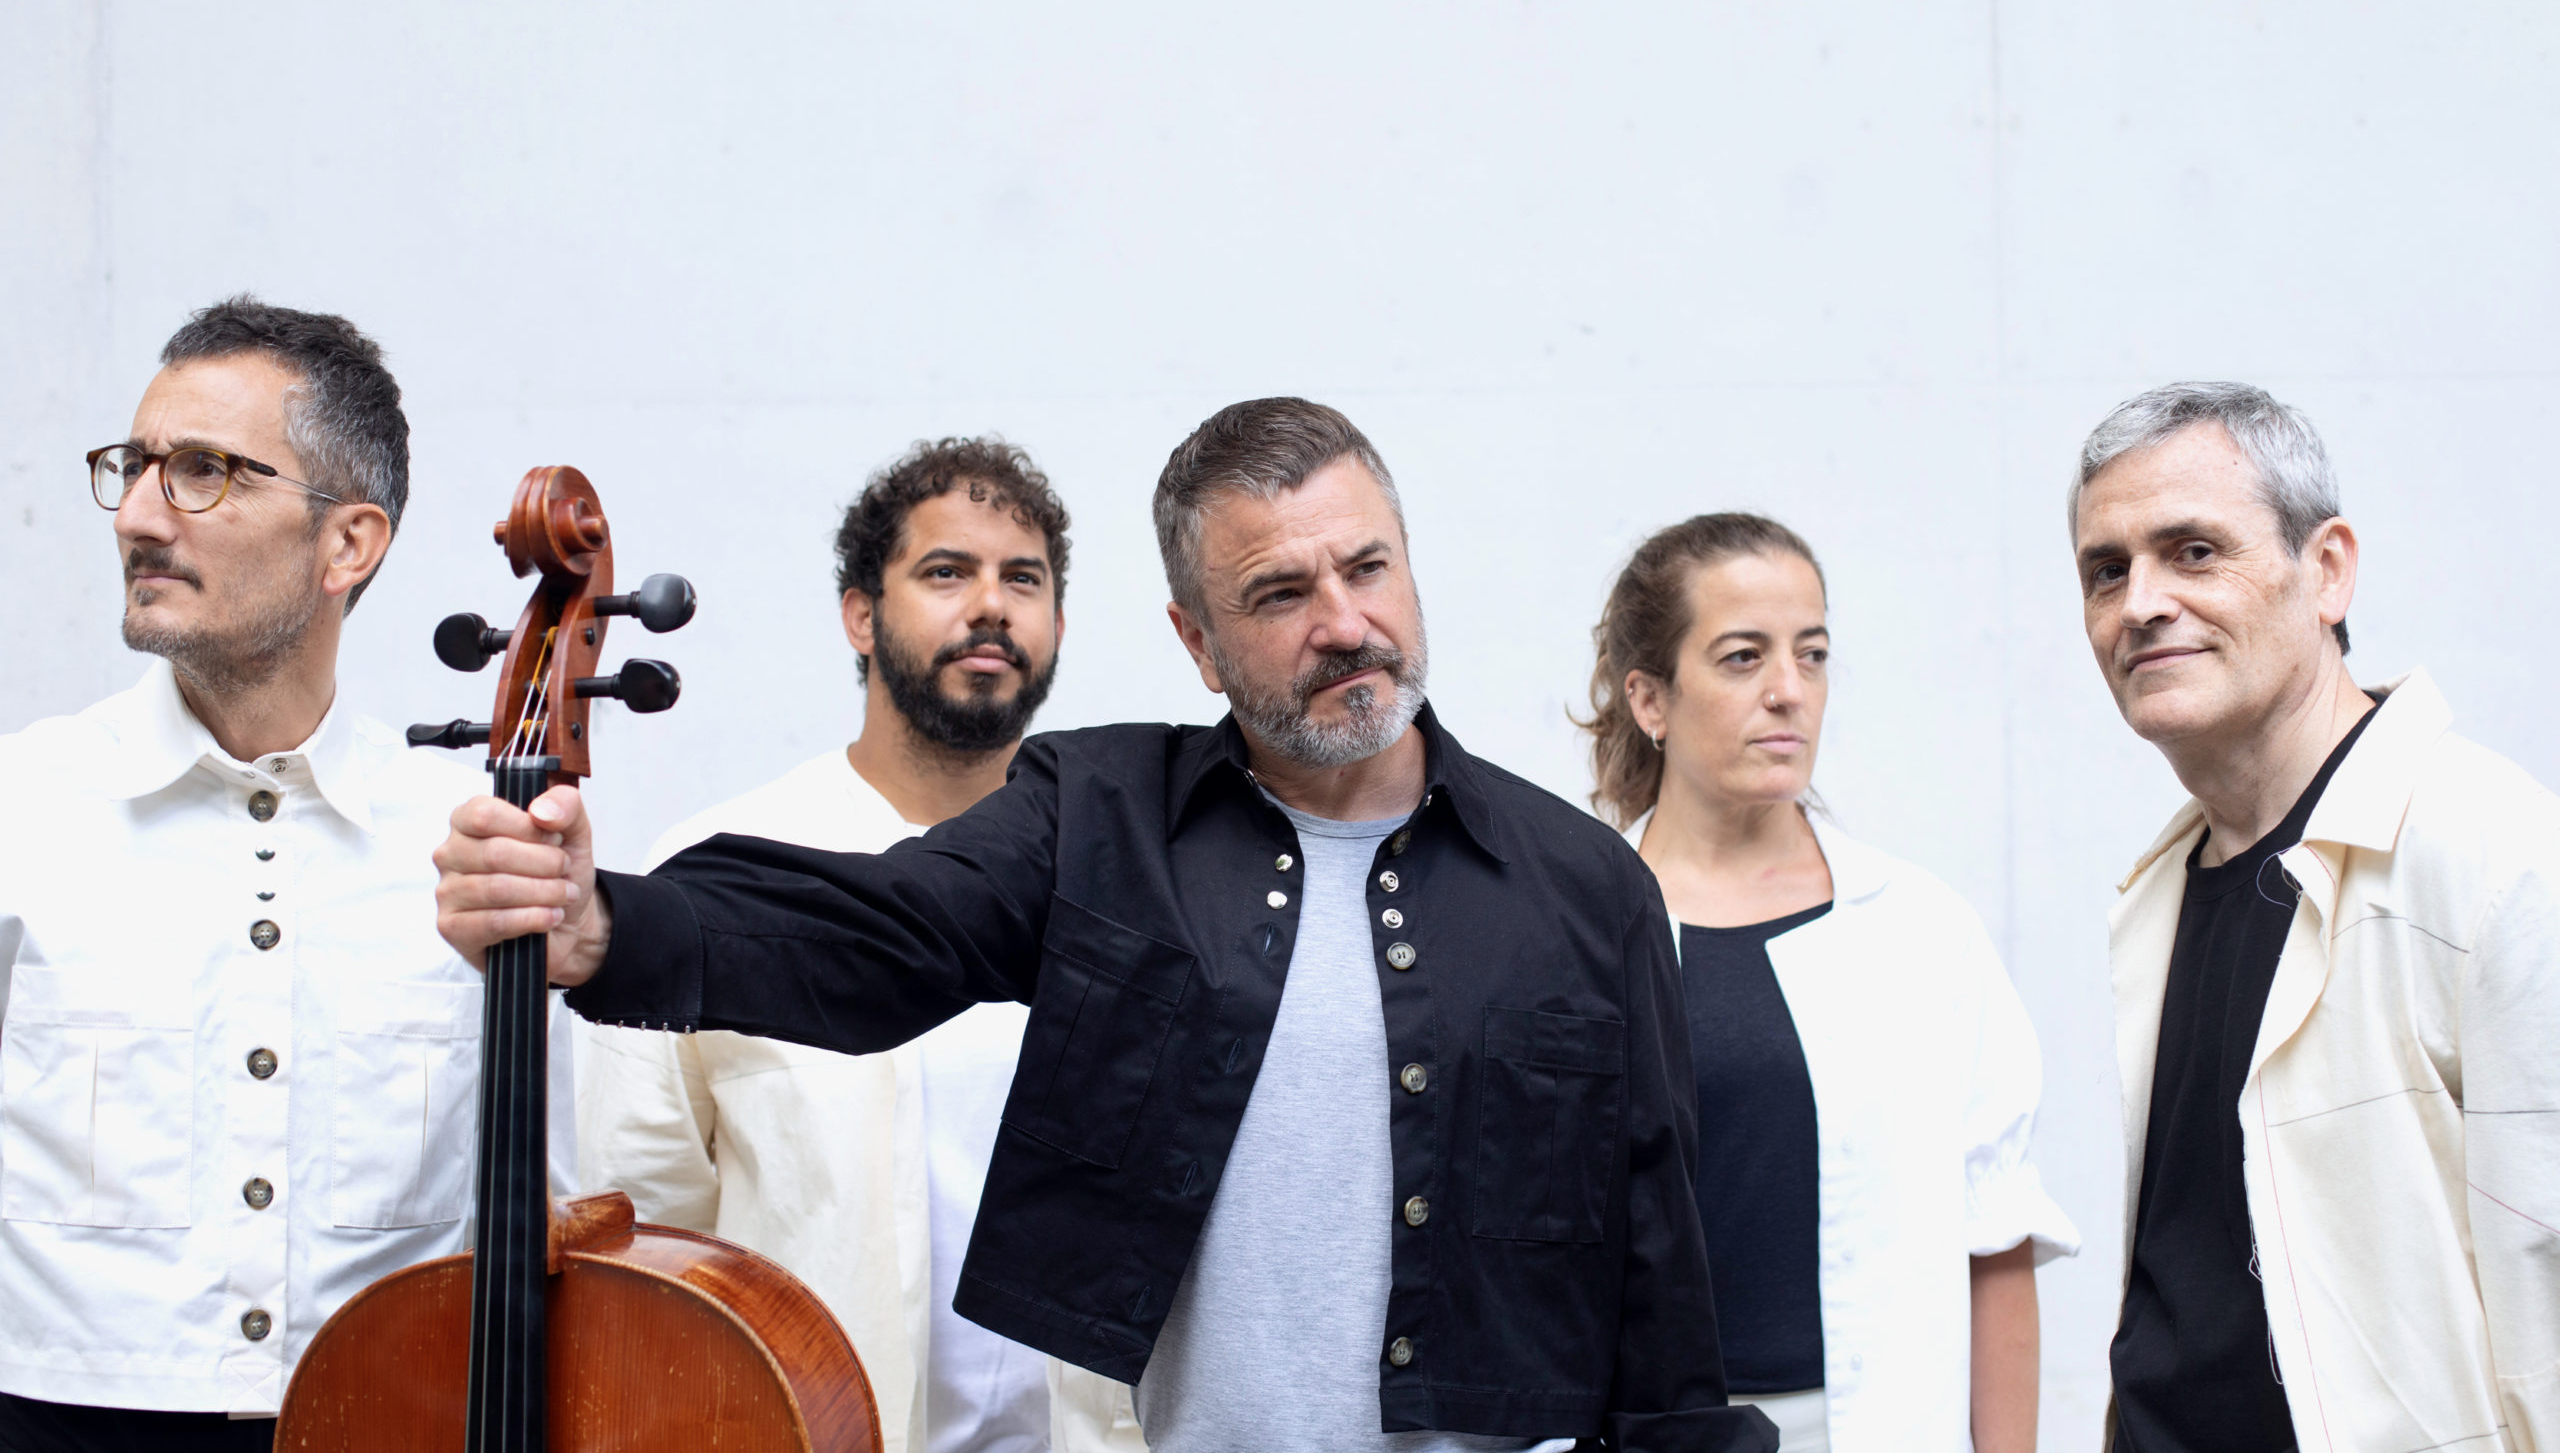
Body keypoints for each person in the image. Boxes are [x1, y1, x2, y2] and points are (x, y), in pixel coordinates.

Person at [435, 397, 1775, 1453]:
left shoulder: (1586, 884)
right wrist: (603, 922)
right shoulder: (1100, 811)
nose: (1343, 623)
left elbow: (1661, 1272)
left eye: (1368, 567)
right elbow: (882, 929)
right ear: (1196, 642)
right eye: (1279, 594)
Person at [0, 299, 571, 1451]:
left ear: (348, 543)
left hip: (391, 1416)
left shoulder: (471, 846)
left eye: (203, 471)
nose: (140, 514)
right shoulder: (23, 807)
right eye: (135, 466)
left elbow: (559, 1214)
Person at [577, 436, 1134, 1453]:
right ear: (861, 615)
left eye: (1023, 578)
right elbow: (643, 1230)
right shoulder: (722, 877)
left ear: (1058, 622)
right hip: (810, 1431)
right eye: (946, 571)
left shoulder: (1131, 880)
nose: (991, 605)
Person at [2072, 382, 2559, 1453]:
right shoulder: (2161, 889)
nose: (2140, 602)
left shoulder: (2491, 853)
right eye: (2106, 570)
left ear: (2327, 570)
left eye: (2193, 551)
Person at [1581, 514, 2077, 1453]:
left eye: (1811, 654)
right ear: (1650, 698)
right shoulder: (1572, 935)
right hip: (1652, 1433)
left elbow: (1996, 1233)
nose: (1789, 690)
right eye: (1742, 657)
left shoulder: (1921, 930)